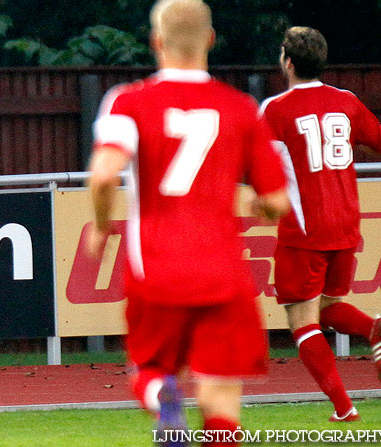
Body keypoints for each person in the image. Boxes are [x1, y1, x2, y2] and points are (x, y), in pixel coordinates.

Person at [86, 1, 290, 445]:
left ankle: (164, 398)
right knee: (221, 403)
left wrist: (101, 225)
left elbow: (103, 174)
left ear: (156, 41)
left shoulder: (129, 100)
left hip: (156, 271)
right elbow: (277, 198)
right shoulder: (241, 108)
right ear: (211, 40)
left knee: (150, 371)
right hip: (224, 275)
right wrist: (262, 207)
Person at [259, 26, 381, 422]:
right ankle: (377, 328)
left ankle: (344, 408)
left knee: (301, 322)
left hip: (305, 230)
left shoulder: (275, 109)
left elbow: (255, 168)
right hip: (347, 225)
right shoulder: (347, 102)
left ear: (287, 60)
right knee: (330, 306)